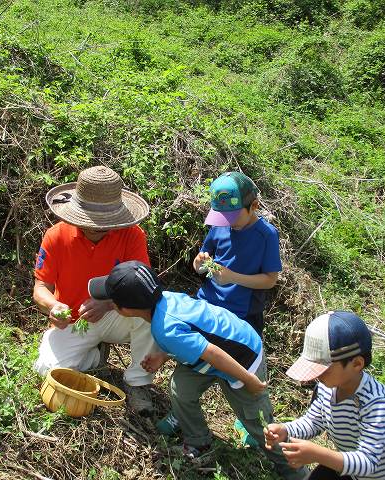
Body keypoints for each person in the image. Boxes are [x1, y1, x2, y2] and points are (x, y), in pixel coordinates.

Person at [88, 260, 307, 480]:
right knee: (181, 388)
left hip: (242, 360)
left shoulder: (165, 328)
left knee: (261, 426)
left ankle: (297, 471)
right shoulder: (166, 300)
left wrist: (248, 379)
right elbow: (192, 338)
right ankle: (198, 440)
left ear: (124, 310)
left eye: (112, 301)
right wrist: (163, 356)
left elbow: (212, 353)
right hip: (217, 354)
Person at [157, 171, 282, 448]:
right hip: (206, 311)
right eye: (222, 216)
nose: (227, 222)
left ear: (253, 206)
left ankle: (252, 422)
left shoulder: (265, 235)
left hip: (241, 318)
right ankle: (182, 414)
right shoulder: (220, 225)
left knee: (244, 380)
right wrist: (200, 263)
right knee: (191, 366)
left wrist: (233, 277)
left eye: (233, 216)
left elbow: (270, 279)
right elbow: (201, 262)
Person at [32, 166, 159, 415]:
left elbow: (142, 288)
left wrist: (109, 304)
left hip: (116, 313)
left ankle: (137, 382)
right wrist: (53, 306)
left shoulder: (132, 235)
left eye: (104, 223)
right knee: (46, 369)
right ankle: (94, 357)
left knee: (152, 311)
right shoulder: (56, 236)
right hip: (74, 320)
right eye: (90, 222)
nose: (97, 228)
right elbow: (40, 287)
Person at [264, 311, 385, 480]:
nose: (317, 376)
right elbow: (313, 422)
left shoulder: (378, 405)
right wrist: (285, 430)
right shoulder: (326, 388)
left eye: (323, 369)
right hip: (351, 471)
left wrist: (317, 454)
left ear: (357, 364)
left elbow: (368, 462)